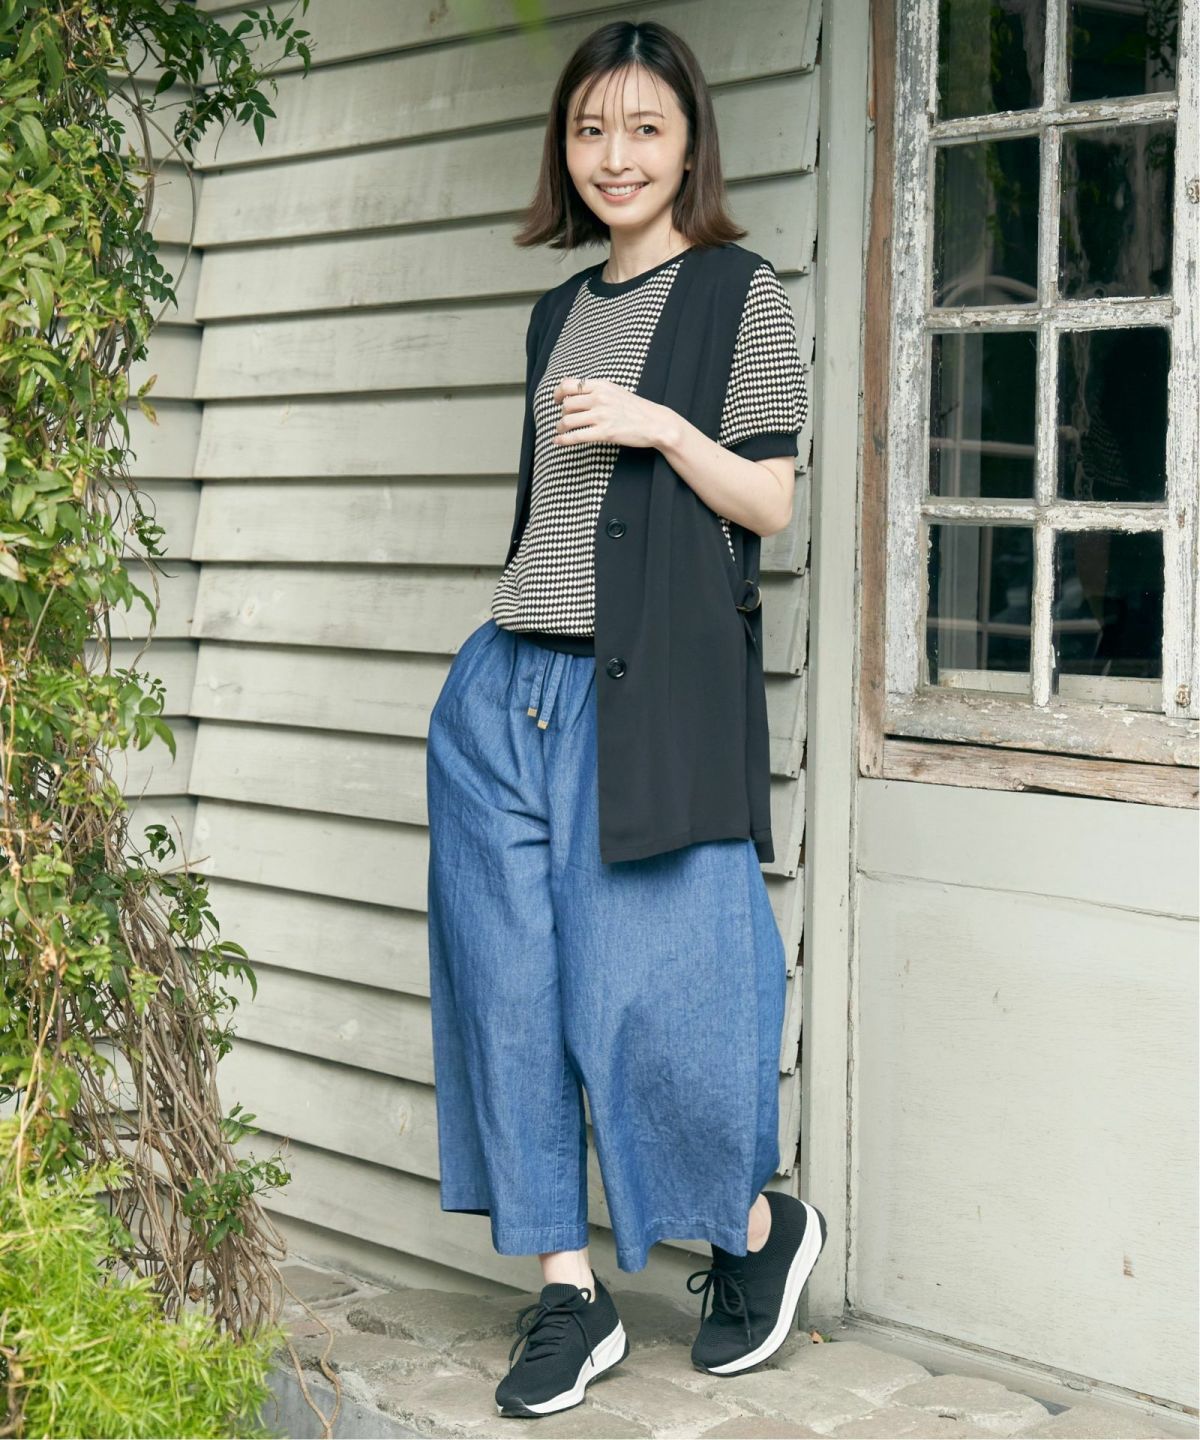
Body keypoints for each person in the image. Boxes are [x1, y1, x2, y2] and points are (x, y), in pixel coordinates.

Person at [424, 17, 826, 1421]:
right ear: (567, 147)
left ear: (689, 142)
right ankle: (568, 1293)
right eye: (592, 129)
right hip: (506, 692)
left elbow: (769, 503)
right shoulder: (556, 312)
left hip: (637, 697)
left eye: (645, 128)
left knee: (662, 995)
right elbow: (549, 519)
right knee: (511, 997)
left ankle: (756, 1232)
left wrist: (660, 423)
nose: (616, 155)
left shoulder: (739, 294)